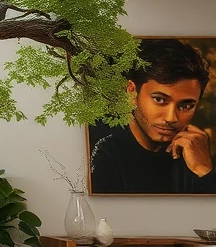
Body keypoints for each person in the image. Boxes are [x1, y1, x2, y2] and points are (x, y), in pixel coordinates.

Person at [88, 39, 216, 194]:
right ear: (132, 92)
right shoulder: (103, 150)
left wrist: (204, 171)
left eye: (186, 106)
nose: (171, 118)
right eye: (160, 100)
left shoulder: (194, 150)